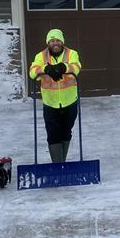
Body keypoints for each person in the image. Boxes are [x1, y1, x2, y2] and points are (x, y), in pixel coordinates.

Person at [28, 28, 82, 163]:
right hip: (50, 102)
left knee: (66, 132)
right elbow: (32, 72)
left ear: (62, 42)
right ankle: (57, 165)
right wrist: (46, 69)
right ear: (48, 42)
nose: (55, 43)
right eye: (52, 40)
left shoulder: (72, 53)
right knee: (53, 134)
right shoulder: (41, 56)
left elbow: (76, 66)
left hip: (69, 101)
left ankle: (61, 163)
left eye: (58, 40)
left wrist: (63, 67)